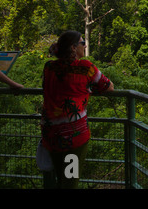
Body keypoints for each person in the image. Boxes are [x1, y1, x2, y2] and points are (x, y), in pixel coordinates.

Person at [41, 30, 114, 188]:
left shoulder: (49, 68)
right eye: (82, 43)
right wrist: (88, 89)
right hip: (73, 138)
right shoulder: (85, 67)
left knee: (61, 178)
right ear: (74, 48)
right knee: (70, 182)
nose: (85, 45)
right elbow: (109, 87)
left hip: (51, 135)